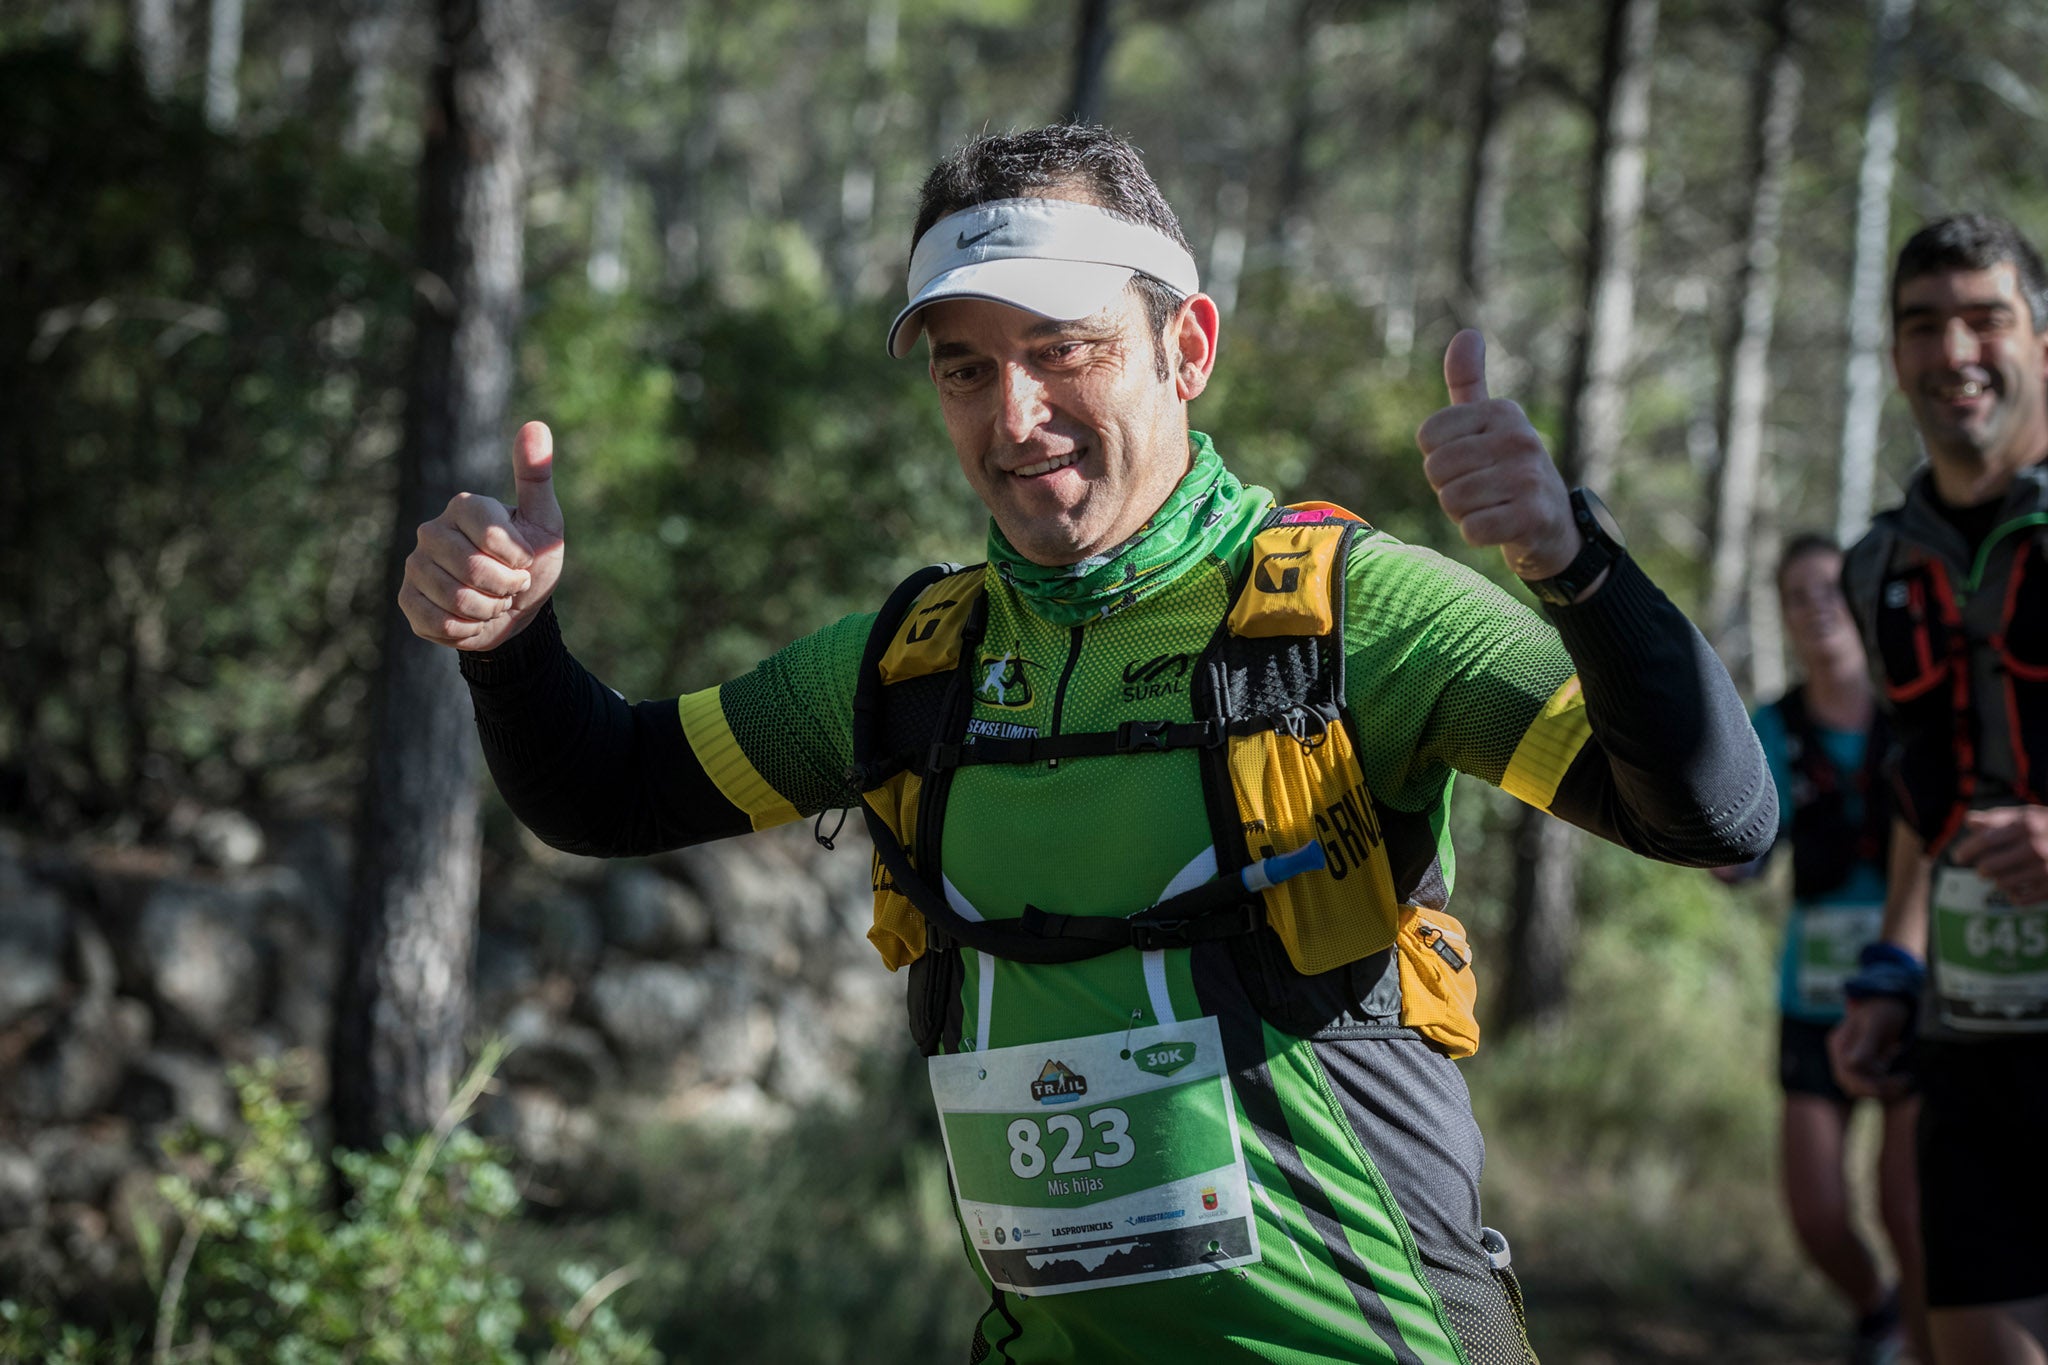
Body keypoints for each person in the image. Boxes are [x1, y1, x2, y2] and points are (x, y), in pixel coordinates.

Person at [400, 125, 1773, 1363]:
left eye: (1067, 350)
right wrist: (513, 642)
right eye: (967, 366)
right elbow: (606, 790)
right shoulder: (906, 666)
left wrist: (1574, 562)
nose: (1015, 416)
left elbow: (1714, 815)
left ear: (1188, 348)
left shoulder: (1362, 616)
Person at [1832, 213, 2048, 1365]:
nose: (1952, 350)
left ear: (2042, 344)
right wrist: (1890, 970)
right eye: (1922, 325)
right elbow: (1927, 807)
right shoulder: (1879, 566)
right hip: (1972, 1038)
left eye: (1984, 318)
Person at [1716, 534, 1923, 1364]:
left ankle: (1934, 1336)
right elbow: (1745, 848)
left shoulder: (1915, 713)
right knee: (1817, 1210)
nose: (1817, 605)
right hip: (1814, 996)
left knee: (1911, 1208)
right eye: (1797, 595)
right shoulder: (1775, 727)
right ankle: (1881, 1318)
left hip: (1912, 986)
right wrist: (1715, 847)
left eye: (1831, 588)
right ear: (1787, 616)